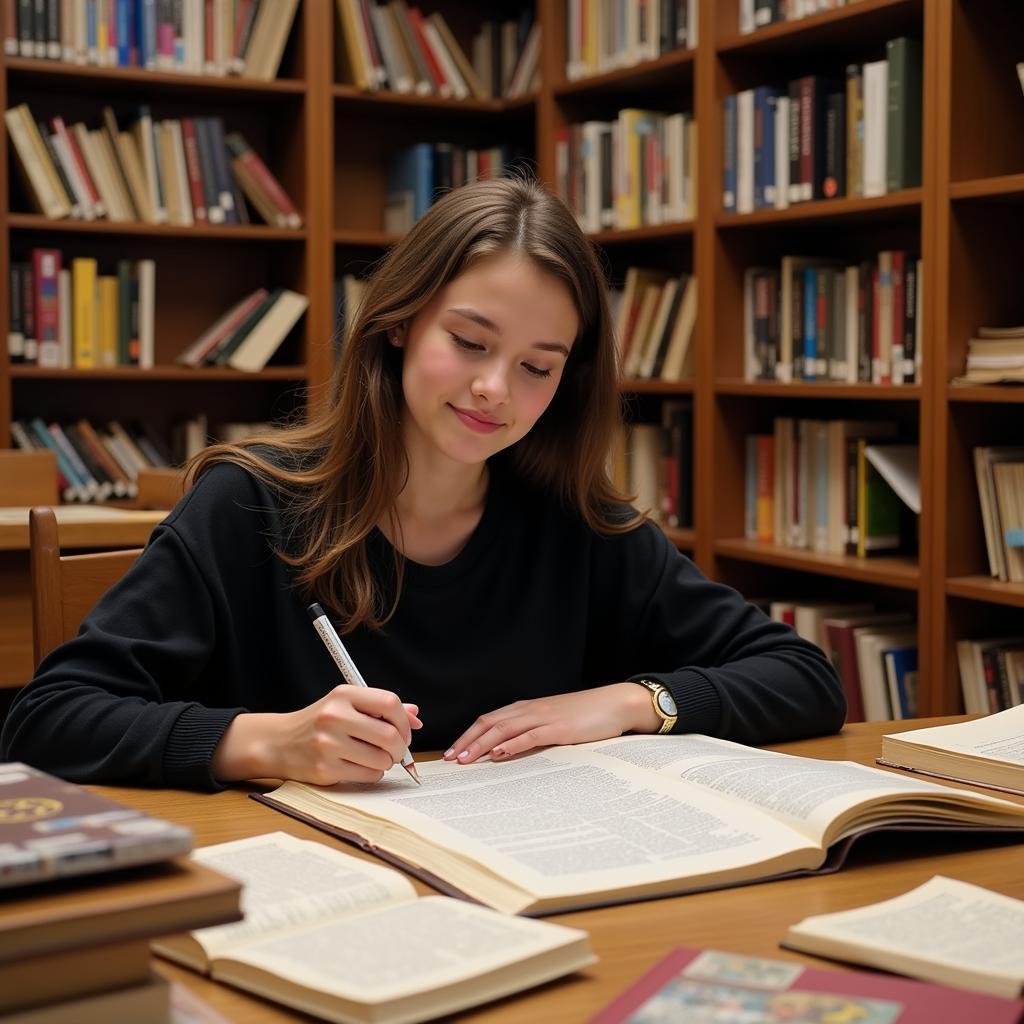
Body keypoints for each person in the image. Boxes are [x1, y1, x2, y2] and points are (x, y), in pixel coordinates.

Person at [1, 178, 845, 791]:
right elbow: (48, 720)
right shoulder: (249, 503)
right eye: (470, 342)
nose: (494, 390)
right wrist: (270, 743)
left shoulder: (581, 525)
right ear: (400, 322)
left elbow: (803, 677)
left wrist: (628, 703)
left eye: (536, 367)